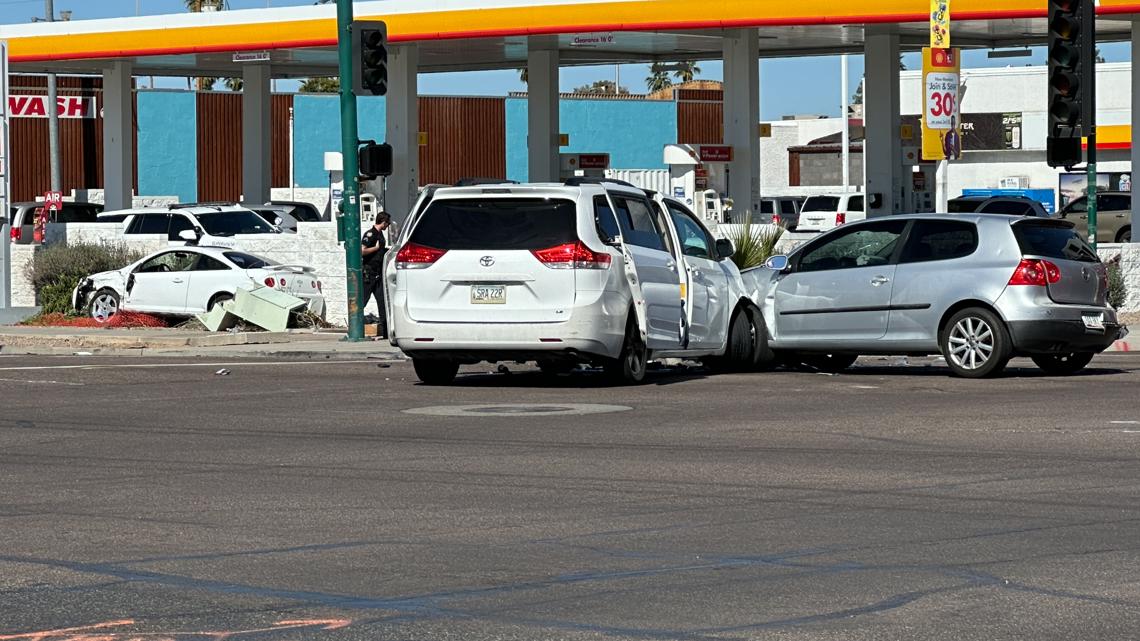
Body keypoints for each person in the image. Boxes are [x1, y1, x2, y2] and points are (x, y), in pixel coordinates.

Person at [361, 211, 392, 339]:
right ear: (383, 222)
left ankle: (385, 333)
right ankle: (355, 329)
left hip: (378, 275)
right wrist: (376, 248)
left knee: (382, 302)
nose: (388, 226)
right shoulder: (370, 234)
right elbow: (362, 251)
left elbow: (380, 251)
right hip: (368, 274)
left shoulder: (380, 234)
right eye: (387, 223)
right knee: (362, 301)